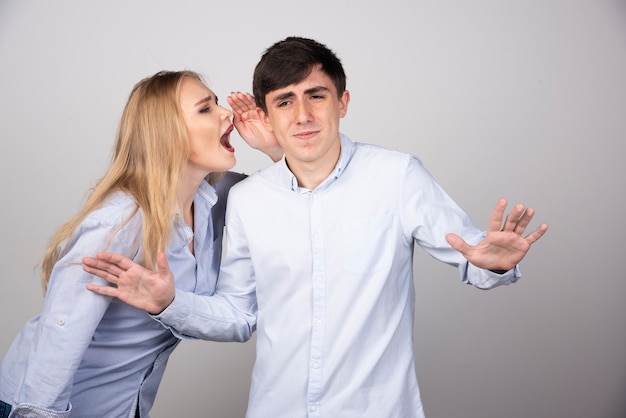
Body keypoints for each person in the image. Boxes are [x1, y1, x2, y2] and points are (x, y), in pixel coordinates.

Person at [83, 37, 549, 418]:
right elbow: (240, 315)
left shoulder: (397, 176)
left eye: (316, 96)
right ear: (265, 117)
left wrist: (495, 266)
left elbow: (476, 259)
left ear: (342, 102)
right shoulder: (248, 200)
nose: (302, 116)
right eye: (284, 102)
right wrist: (169, 304)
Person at [0, 70, 280, 418]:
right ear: (169, 133)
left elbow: (289, 195)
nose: (227, 114)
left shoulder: (215, 198)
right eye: (206, 109)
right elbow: (59, 335)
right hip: (44, 408)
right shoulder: (118, 224)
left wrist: (274, 147)